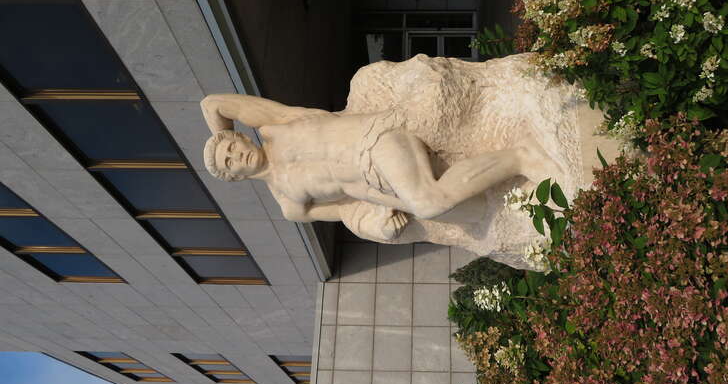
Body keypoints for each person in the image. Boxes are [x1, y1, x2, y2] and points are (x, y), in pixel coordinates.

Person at [201, 93, 558, 241]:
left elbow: (212, 103)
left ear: (242, 137)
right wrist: (376, 226)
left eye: (232, 146)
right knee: (445, 208)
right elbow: (347, 212)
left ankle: (521, 157)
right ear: (235, 177)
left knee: (428, 202)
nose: (236, 156)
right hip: (377, 183)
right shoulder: (291, 204)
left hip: (374, 140)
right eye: (229, 163)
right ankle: (516, 163)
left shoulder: (273, 125)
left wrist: (217, 138)